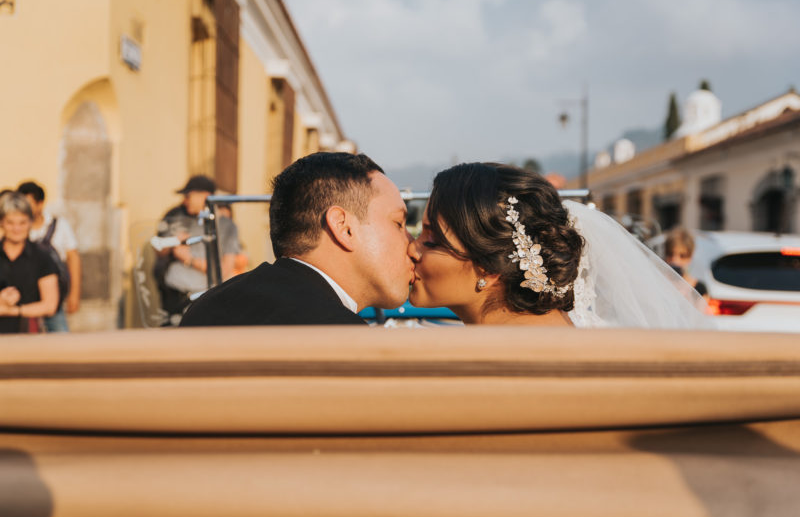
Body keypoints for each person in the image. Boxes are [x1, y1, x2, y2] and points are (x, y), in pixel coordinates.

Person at [407, 162, 710, 329]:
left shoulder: (497, 363)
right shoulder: (562, 332)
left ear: (490, 264)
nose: (412, 248)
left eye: (431, 239)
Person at [180, 152, 415, 326]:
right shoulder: (344, 336)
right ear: (344, 227)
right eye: (399, 224)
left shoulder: (205, 308)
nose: (413, 245)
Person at [153, 175, 240, 326]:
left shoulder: (227, 226)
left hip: (206, 296)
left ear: (205, 196)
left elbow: (225, 269)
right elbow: (158, 248)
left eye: (188, 196)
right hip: (175, 295)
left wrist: (190, 260)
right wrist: (174, 242)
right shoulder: (176, 215)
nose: (184, 201)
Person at [17, 181, 81, 332]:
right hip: (24, 297)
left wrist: (74, 294)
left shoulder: (59, 225)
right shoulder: (17, 228)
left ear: (40, 204)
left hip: (53, 296)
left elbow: (73, 258)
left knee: (60, 342)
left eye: (28, 203)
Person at [0, 192, 59, 333]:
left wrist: (13, 310)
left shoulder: (42, 257)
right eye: (10, 222)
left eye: (22, 222)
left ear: (30, 223)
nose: (16, 229)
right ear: (1, 222)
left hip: (28, 336)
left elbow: (50, 305)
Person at [664, 227, 708, 298]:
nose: (675, 260)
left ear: (690, 257)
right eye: (670, 254)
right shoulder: (657, 282)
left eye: (682, 256)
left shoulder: (699, 289)